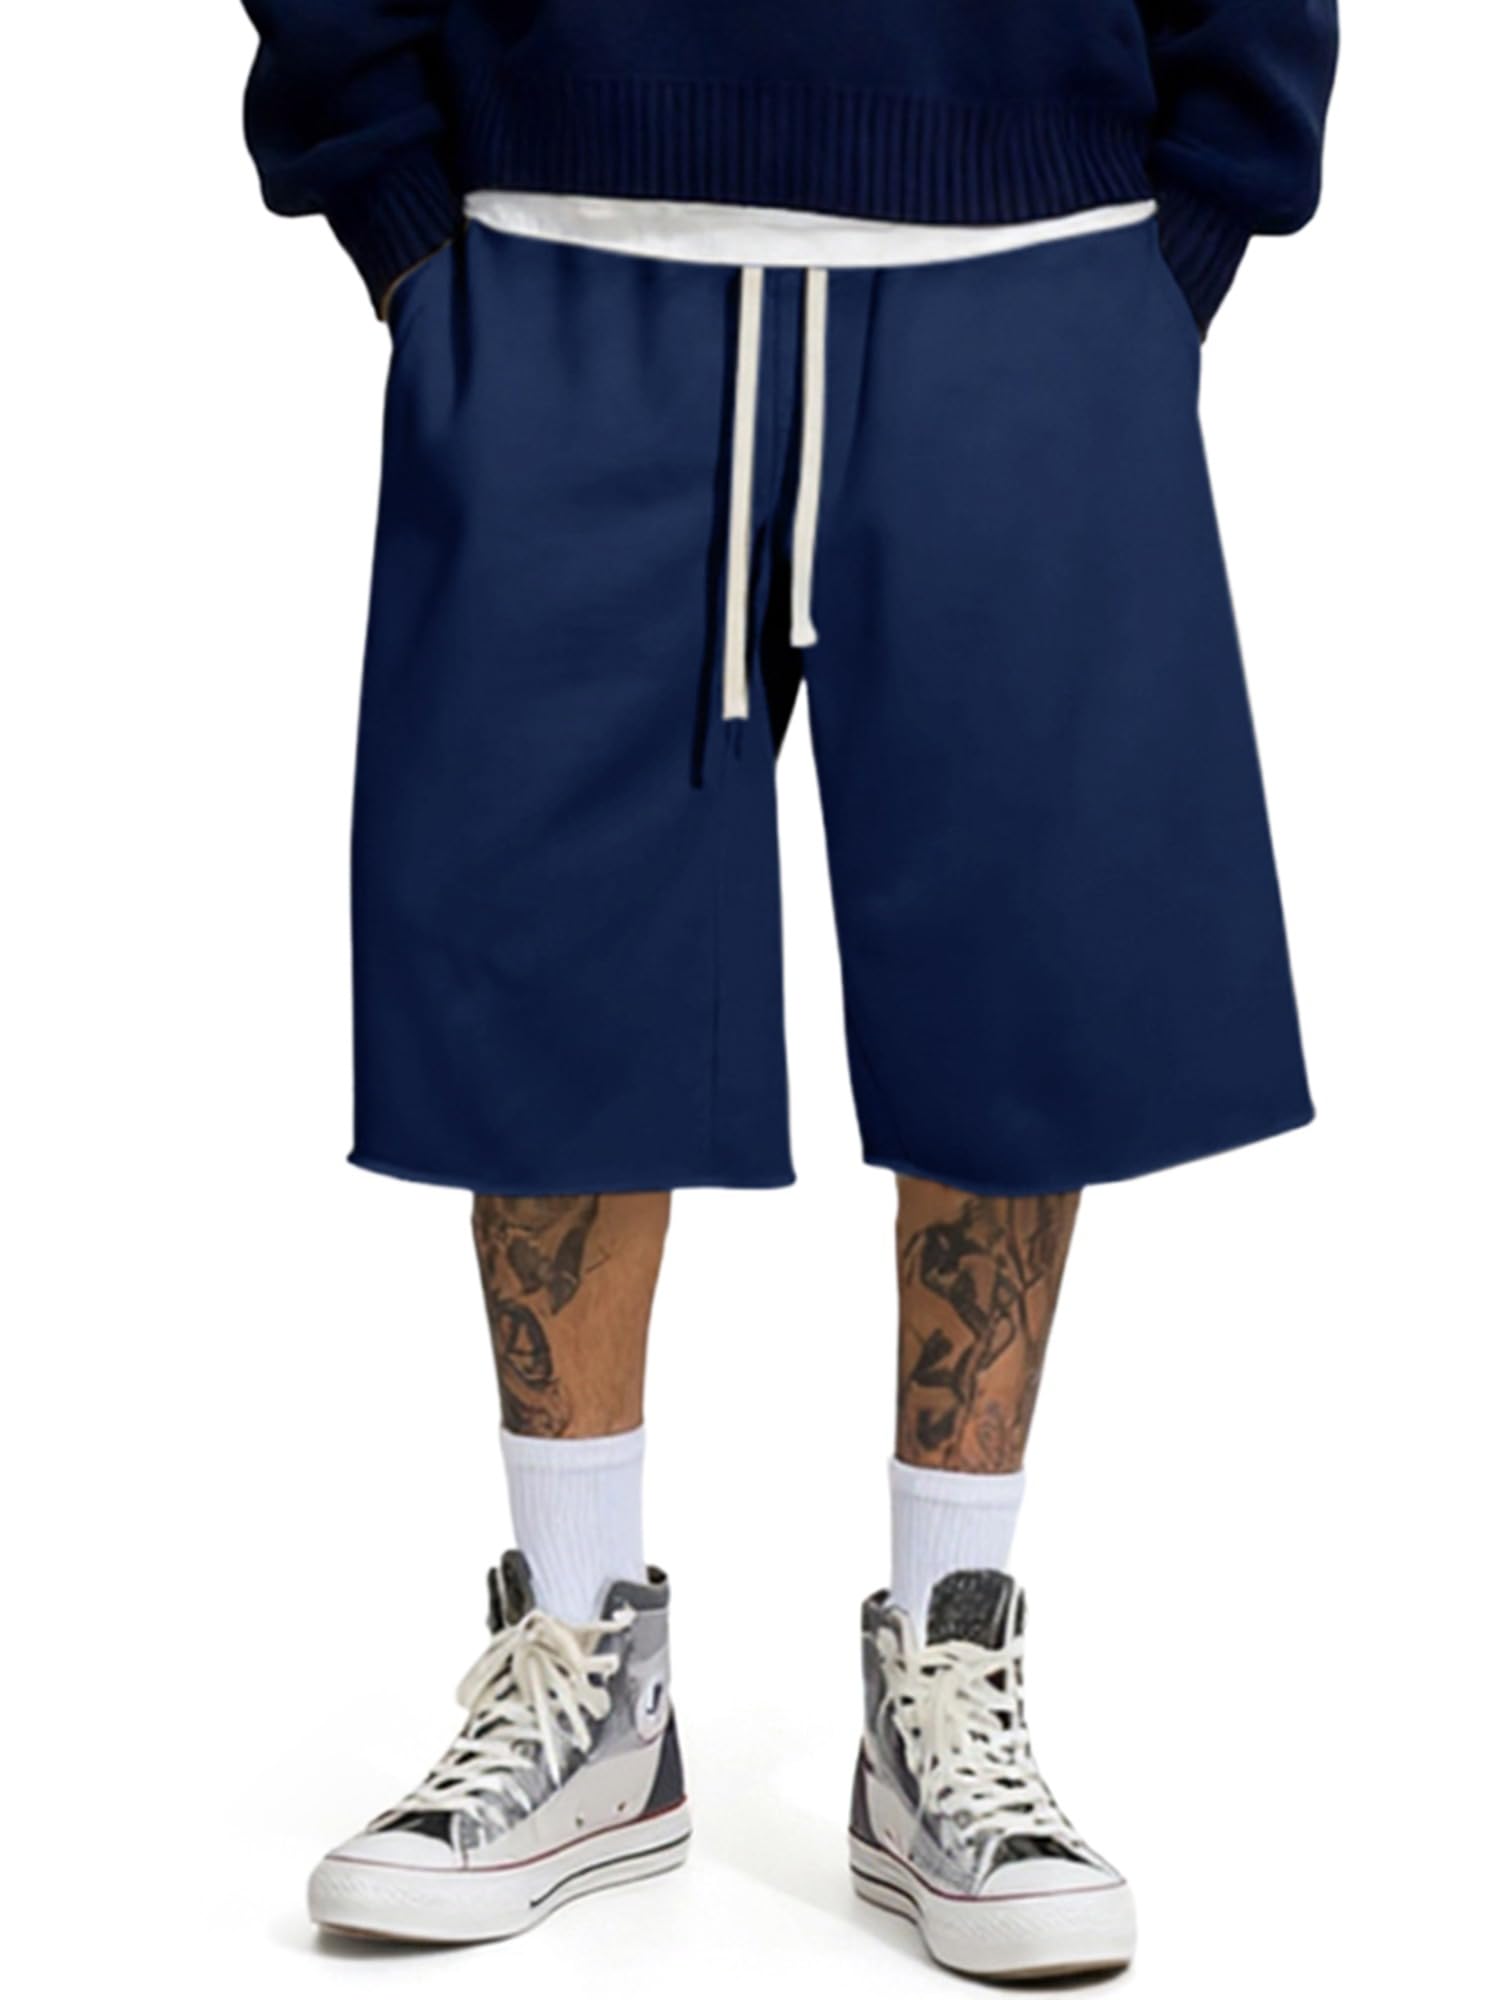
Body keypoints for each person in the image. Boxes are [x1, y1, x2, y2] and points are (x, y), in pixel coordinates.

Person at [241, 2, 1337, 1977]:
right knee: (540, 959)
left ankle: (952, 1671)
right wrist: (390, 192)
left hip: (1033, 245)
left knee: (1020, 980)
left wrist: (1194, 214)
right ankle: (581, 1658)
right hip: (563, 226)